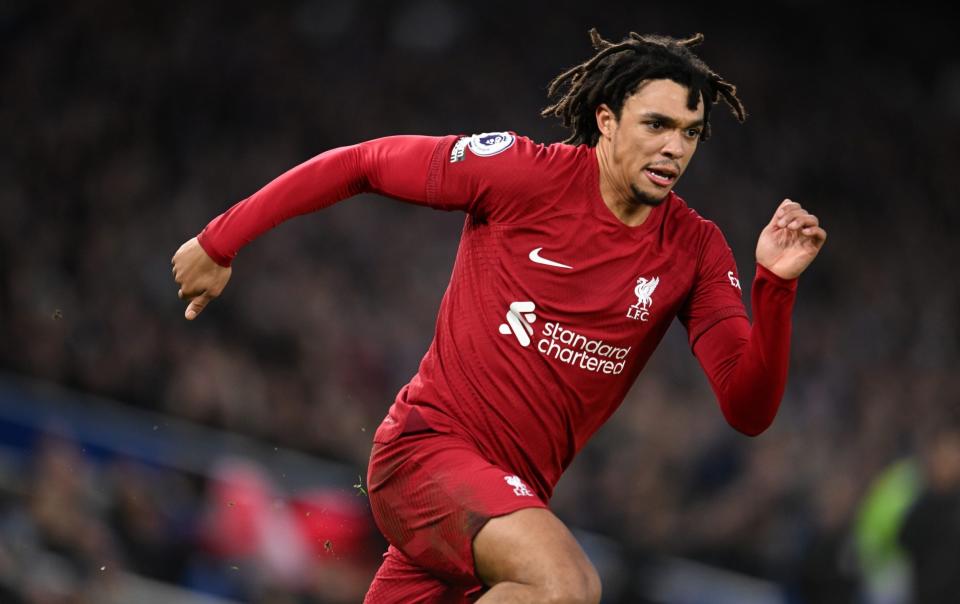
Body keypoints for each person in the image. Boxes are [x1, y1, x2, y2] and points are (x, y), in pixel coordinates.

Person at [171, 29, 826, 603]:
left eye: (690, 134)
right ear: (606, 120)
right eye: (656, 124)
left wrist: (774, 287)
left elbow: (748, 408)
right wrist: (220, 240)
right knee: (567, 584)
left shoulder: (695, 248)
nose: (675, 149)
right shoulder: (521, 175)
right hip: (427, 457)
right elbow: (365, 164)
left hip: (495, 513)